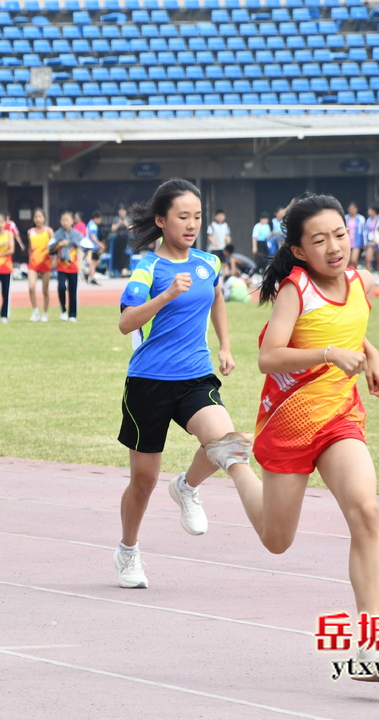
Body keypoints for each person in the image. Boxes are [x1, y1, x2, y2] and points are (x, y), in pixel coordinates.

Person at [224, 192, 379, 681]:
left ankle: (372, 645)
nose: (334, 247)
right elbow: (270, 356)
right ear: (300, 251)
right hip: (288, 421)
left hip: (340, 417)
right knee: (277, 540)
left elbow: (351, 326)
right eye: (319, 240)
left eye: (340, 235)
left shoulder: (359, 281)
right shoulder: (294, 289)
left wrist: (374, 357)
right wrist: (327, 353)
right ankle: (236, 463)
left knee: (366, 511)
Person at [113, 178, 248, 590]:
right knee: (143, 482)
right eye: (183, 216)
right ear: (161, 220)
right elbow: (125, 323)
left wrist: (225, 345)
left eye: (197, 217)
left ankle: (187, 486)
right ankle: (128, 551)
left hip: (195, 376)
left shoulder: (208, 262)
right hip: (148, 383)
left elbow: (217, 297)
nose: (192, 225)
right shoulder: (148, 268)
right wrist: (165, 296)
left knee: (229, 442)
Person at [50, 210, 84, 322]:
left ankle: (72, 314)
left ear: (72, 221)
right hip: (61, 266)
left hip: (73, 266)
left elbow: (84, 245)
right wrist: (59, 245)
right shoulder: (57, 234)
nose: (65, 222)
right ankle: (63, 310)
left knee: (73, 290)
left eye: (67, 220)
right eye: (63, 220)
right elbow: (50, 248)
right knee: (61, 287)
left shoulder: (76, 235)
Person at [27, 208, 53, 321]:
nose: (38, 219)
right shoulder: (30, 232)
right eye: (36, 217)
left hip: (46, 263)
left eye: (40, 217)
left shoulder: (48, 231)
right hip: (33, 263)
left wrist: (54, 258)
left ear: (44, 218)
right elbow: (30, 248)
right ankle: (35, 311)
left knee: (45, 290)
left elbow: (54, 247)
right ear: (33, 219)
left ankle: (45, 313)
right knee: (31, 287)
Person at [109, 205, 133, 277]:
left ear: (125, 212)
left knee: (126, 256)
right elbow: (113, 229)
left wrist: (125, 223)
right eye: (121, 211)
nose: (122, 212)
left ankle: (125, 271)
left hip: (126, 240)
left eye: (123, 211)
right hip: (117, 240)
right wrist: (119, 223)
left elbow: (131, 229)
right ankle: (117, 271)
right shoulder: (116, 219)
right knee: (117, 255)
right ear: (118, 212)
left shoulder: (128, 219)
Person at [83, 210, 104, 285]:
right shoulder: (93, 225)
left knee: (97, 261)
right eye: (99, 219)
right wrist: (100, 244)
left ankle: (88, 274)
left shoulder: (90, 223)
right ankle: (92, 278)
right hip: (91, 246)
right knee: (93, 262)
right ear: (96, 218)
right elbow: (93, 237)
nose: (100, 221)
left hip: (91, 246)